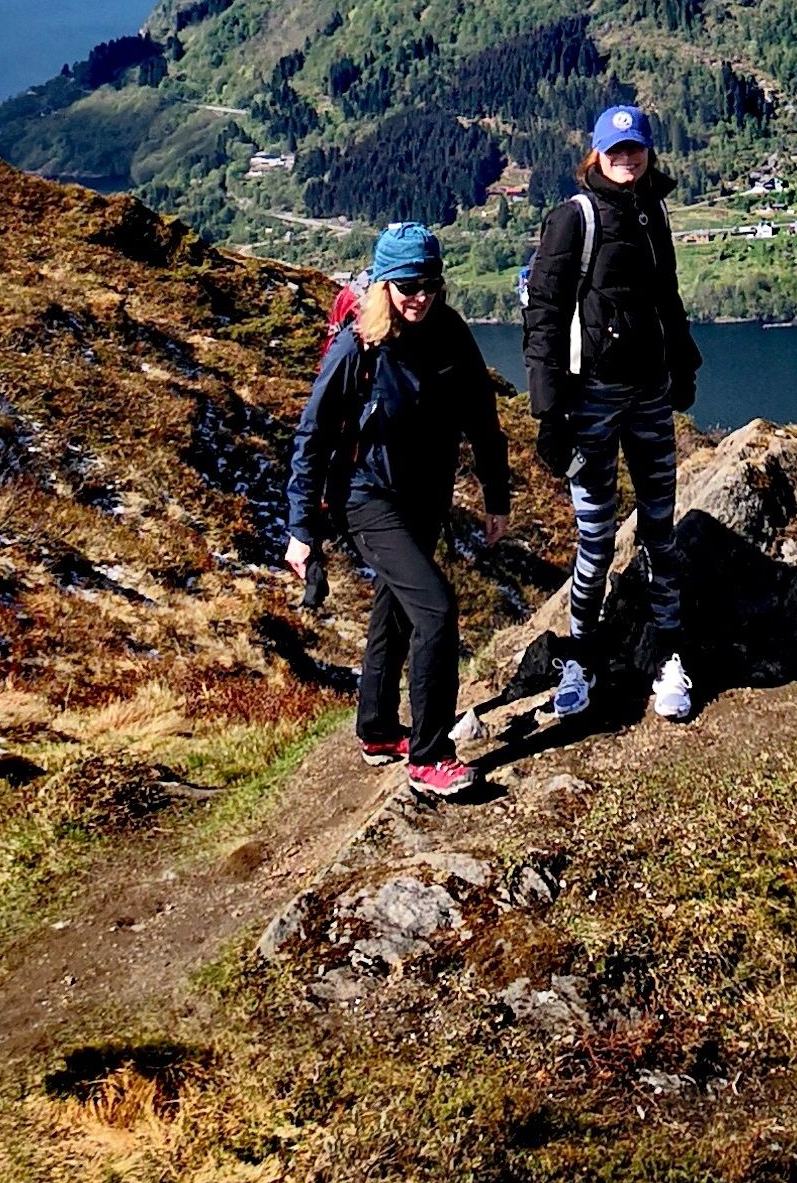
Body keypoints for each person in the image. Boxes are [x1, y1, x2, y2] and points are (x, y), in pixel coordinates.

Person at [285, 223, 513, 797]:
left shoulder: (450, 331)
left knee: (396, 608)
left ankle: (379, 731)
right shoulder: (358, 344)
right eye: (407, 284)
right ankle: (431, 756)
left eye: (430, 283)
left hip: (426, 498)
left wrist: (496, 497)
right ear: (384, 284)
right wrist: (300, 528)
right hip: (366, 497)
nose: (420, 295)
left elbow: (483, 419)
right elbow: (312, 434)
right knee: (435, 608)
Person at [521, 103, 701, 724]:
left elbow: (666, 295)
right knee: (595, 536)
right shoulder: (574, 219)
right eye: (615, 151)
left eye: (636, 150)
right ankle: (581, 657)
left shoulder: (653, 214)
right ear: (595, 155)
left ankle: (669, 655)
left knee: (659, 530)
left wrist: (685, 364)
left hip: (649, 392)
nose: (627, 160)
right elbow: (543, 315)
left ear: (649, 153)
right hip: (591, 398)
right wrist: (549, 411)